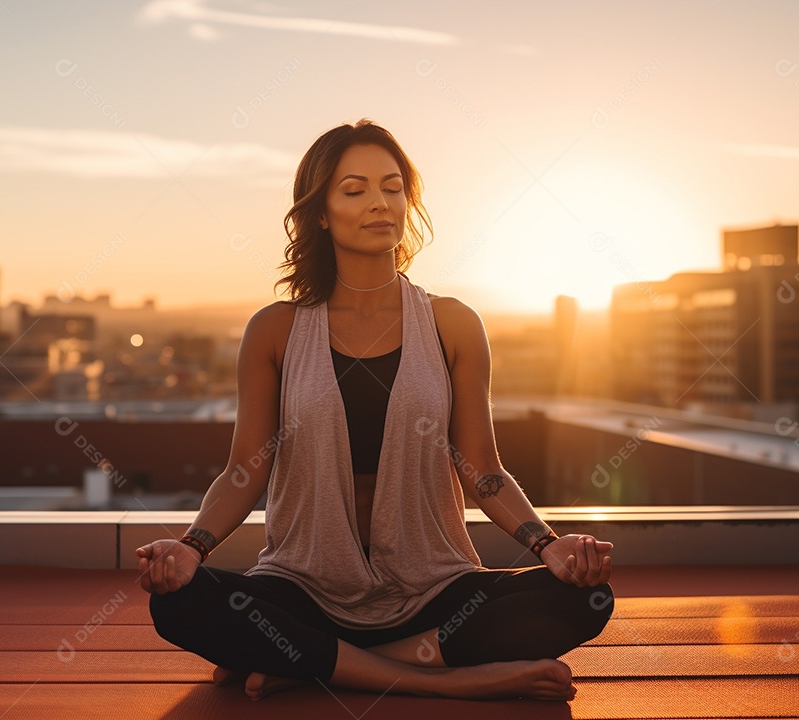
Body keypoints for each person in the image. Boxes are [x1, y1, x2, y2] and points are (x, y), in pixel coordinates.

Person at [137, 119, 614, 702]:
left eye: (392, 187)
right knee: (177, 602)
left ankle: (310, 666)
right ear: (319, 212)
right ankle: (446, 680)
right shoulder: (275, 331)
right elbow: (245, 470)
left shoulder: (452, 323)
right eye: (355, 189)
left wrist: (549, 544)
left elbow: (482, 468)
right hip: (304, 588)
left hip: (431, 589)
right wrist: (190, 549)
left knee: (586, 596)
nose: (379, 203)